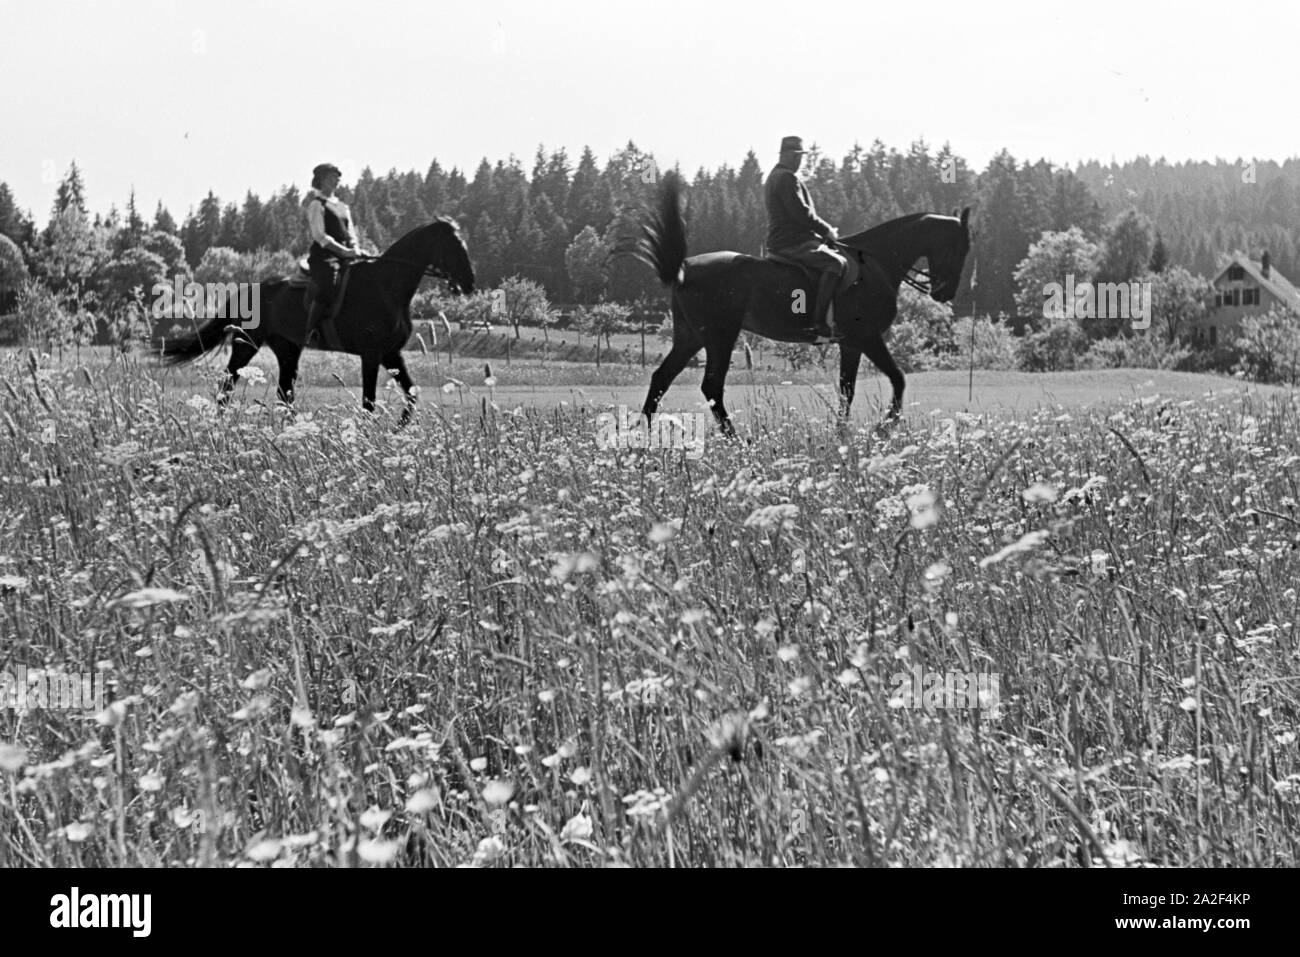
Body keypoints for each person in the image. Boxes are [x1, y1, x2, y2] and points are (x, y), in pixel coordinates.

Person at [764, 135, 847, 341]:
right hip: (793, 243)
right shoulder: (786, 178)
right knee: (836, 264)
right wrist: (827, 231)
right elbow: (801, 214)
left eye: (800, 156)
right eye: (796, 156)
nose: (799, 160)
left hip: (786, 240)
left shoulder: (774, 176)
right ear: (787, 155)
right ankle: (820, 324)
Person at [302, 162, 360, 344]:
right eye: (330, 178)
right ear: (320, 180)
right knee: (330, 283)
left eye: (337, 178)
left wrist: (355, 248)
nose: (335, 181)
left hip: (347, 255)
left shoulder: (343, 207)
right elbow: (320, 236)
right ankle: (311, 332)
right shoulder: (316, 204)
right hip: (325, 257)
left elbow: (351, 232)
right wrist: (344, 251)